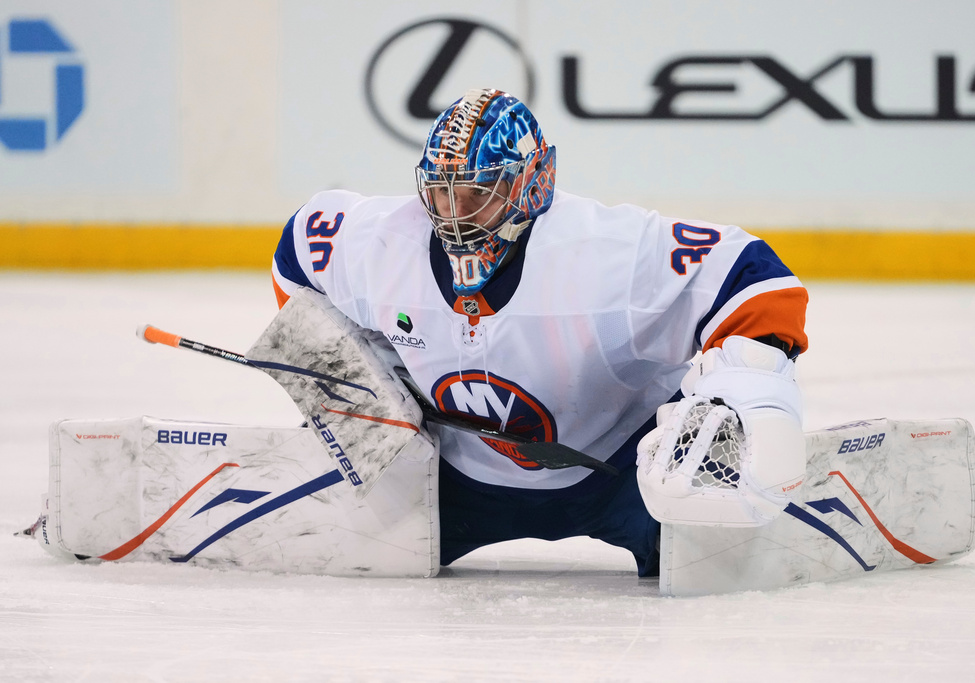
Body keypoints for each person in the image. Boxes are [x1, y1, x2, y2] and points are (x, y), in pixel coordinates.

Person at [271, 88, 808, 577]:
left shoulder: (606, 252)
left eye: (478, 193)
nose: (455, 216)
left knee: (716, 553)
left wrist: (750, 401)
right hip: (449, 477)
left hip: (626, 473)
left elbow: (753, 278)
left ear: (532, 181)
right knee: (338, 552)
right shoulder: (383, 245)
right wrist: (355, 386)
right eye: (441, 193)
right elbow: (297, 250)